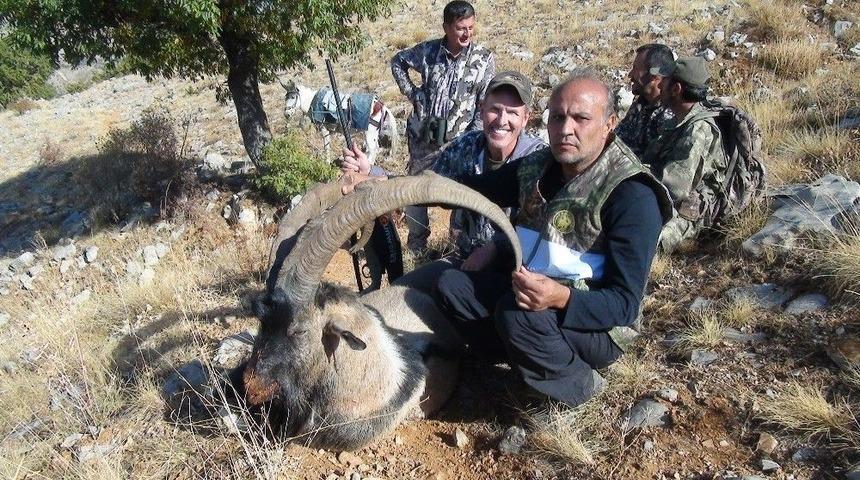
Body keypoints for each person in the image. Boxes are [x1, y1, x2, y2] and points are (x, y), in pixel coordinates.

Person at [427, 69, 673, 407]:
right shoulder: (538, 167)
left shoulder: (632, 195)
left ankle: (580, 391)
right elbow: (471, 191)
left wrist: (560, 298)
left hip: (595, 326)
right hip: (530, 295)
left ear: (610, 123)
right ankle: (522, 363)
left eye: (580, 118)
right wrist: (387, 184)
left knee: (517, 314)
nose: (565, 129)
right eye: (557, 118)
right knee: (453, 286)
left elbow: (624, 306)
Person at [341, 71, 545, 291]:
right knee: (402, 290)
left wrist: (494, 248)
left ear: (526, 118)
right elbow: (425, 187)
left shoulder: (538, 159)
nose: (502, 120)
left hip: (518, 272)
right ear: (482, 108)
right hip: (465, 260)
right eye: (495, 109)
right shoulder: (467, 146)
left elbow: (543, 227)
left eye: (512, 113)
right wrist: (371, 172)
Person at [390, 0, 496, 253]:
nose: (467, 34)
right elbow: (397, 62)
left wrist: (473, 140)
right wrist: (413, 93)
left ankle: (453, 252)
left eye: (471, 27)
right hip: (422, 141)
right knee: (415, 194)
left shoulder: (483, 60)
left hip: (458, 144)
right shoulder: (428, 51)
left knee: (459, 199)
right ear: (446, 27)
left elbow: (485, 102)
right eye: (460, 28)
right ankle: (416, 251)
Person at [641, 56, 727, 253]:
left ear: (676, 89)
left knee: (644, 242)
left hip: (692, 212)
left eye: (666, 81)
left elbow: (675, 187)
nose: (659, 85)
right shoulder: (678, 122)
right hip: (673, 203)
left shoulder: (698, 130)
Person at [615, 43, 675, 158]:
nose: (630, 74)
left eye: (636, 69)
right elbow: (618, 139)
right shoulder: (641, 104)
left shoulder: (669, 117)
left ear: (654, 76)